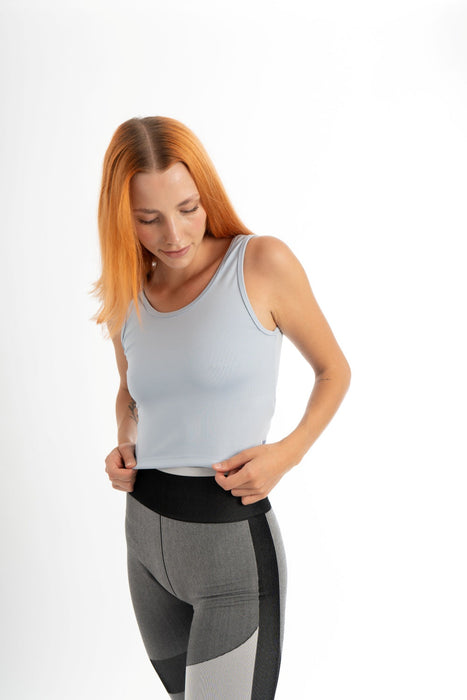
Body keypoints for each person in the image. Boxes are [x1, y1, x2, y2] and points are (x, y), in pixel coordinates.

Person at [92, 115, 351, 700]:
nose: (174, 233)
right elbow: (131, 392)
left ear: (205, 192)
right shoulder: (129, 290)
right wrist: (124, 442)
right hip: (144, 547)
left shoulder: (259, 264)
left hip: (230, 555)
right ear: (121, 217)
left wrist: (286, 454)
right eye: (148, 218)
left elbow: (334, 371)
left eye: (188, 208)